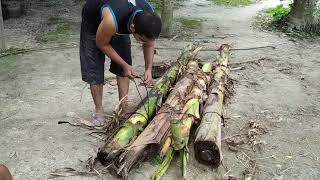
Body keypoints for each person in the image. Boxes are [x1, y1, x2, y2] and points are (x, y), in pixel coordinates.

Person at [80, 0, 162, 126]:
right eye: (140, 39)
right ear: (133, 28)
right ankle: (99, 111)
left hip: (120, 18)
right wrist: (124, 65)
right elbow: (101, 44)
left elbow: (149, 44)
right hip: (93, 20)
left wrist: (148, 70)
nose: (141, 42)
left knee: (124, 60)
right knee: (94, 66)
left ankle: (123, 107)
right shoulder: (112, 21)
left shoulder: (148, 17)